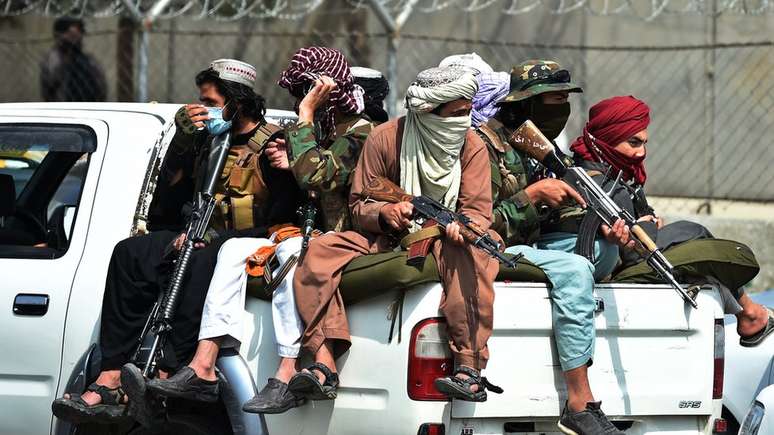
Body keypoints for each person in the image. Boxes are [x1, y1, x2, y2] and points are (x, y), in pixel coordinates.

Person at [51, 59, 301, 425]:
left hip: (248, 240)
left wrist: (219, 236)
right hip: (196, 231)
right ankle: (111, 375)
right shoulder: (205, 141)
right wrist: (181, 143)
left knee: (203, 258)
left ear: (238, 101)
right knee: (130, 253)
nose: (205, 110)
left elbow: (282, 216)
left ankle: (168, 370)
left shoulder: (273, 144)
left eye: (213, 102)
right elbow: (166, 203)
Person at [144, 47, 378, 416]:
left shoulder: (362, 132)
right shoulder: (322, 128)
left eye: (308, 90)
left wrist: (300, 134)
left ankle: (287, 371)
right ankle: (203, 364)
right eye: (300, 93)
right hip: (311, 230)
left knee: (290, 257)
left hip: (348, 235)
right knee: (230, 251)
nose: (302, 99)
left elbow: (319, 175)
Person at [285, 65, 502, 403]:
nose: (464, 120)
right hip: (386, 239)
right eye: (456, 113)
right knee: (320, 250)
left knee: (478, 250)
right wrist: (386, 214)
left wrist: (464, 226)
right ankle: (324, 362)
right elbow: (359, 204)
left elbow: (477, 211)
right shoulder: (385, 137)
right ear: (429, 111)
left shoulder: (471, 146)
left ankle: (468, 368)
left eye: (468, 112)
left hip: (445, 240)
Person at [477, 60, 626, 435]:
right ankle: (579, 401)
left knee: (602, 252)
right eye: (552, 99)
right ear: (524, 103)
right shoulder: (483, 145)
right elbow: (474, 222)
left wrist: (604, 226)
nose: (561, 108)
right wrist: (532, 196)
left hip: (529, 243)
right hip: (487, 249)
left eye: (565, 99)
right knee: (576, 269)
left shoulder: (543, 149)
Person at [569, 95, 773, 347]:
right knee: (695, 234)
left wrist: (647, 220)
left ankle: (749, 313)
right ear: (609, 137)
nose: (641, 152)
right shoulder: (597, 181)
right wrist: (646, 224)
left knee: (695, 252)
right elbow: (633, 251)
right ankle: (749, 313)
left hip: (623, 257)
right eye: (633, 142)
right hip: (615, 267)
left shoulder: (611, 174)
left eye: (644, 143)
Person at [40, 16, 107, 102]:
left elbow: (101, 87)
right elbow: (50, 87)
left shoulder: (89, 60)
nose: (77, 37)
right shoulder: (53, 59)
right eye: (71, 35)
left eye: (79, 33)